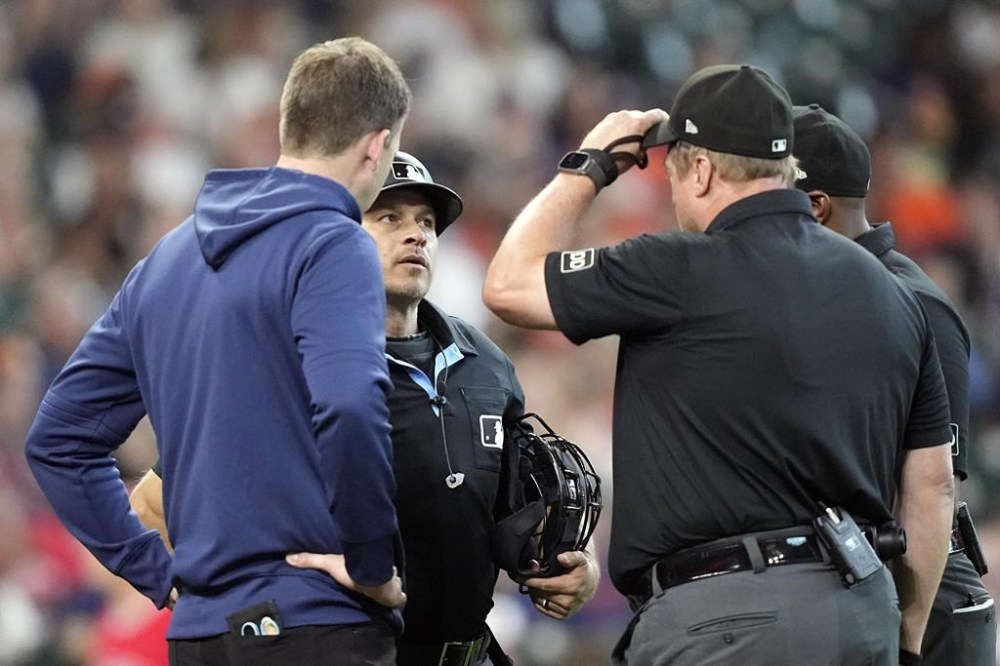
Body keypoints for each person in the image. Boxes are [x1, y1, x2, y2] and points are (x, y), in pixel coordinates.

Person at [482, 63, 955, 665]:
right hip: (859, 610)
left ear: (700, 171)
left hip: (723, 621)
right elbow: (933, 486)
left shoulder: (680, 266)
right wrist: (907, 642)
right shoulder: (891, 291)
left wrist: (591, 165)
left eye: (676, 174)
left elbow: (507, 285)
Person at [24, 37, 410, 666]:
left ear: (291, 127)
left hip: (200, 635)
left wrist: (155, 570)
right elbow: (349, 405)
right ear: (377, 145)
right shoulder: (334, 240)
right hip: (314, 623)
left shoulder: (166, 262)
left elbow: (57, 438)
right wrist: (371, 564)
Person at [130, 152, 601, 666]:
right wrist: (228, 618)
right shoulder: (292, 360)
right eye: (389, 218)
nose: (417, 234)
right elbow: (153, 508)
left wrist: (579, 565)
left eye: (426, 222)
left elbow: (528, 498)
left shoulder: (485, 364)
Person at [792, 103, 996, 666]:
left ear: (816, 206)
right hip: (852, 585)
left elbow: (932, 493)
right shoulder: (811, 295)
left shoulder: (912, 302)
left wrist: (906, 639)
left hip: (922, 595)